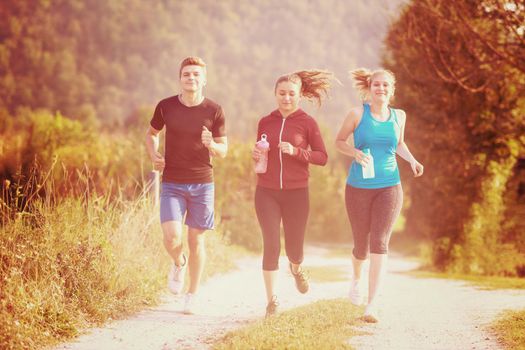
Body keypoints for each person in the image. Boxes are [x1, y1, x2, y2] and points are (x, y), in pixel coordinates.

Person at [335, 68, 424, 323]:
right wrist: (355, 153)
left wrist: (412, 161)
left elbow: (398, 144)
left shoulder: (399, 116)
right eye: (376, 85)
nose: (381, 89)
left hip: (389, 186)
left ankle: (372, 304)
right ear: (370, 88)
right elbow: (339, 141)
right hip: (358, 187)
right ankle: (355, 279)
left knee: (380, 242)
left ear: (391, 90)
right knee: (360, 246)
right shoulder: (356, 114)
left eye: (386, 85)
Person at [145, 56, 227, 315]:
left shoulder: (214, 110)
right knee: (171, 237)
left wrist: (211, 145)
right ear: (180, 79)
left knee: (196, 241)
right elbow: (151, 134)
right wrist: (154, 156)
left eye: (195, 74)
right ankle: (178, 263)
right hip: (172, 182)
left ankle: (192, 294)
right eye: (186, 74)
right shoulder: (165, 107)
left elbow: (223, 150)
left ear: (204, 79)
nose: (191, 78)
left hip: (203, 184)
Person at [252, 70, 333, 317]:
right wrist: (257, 155)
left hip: (297, 193)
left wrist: (297, 152)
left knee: (294, 250)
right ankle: (272, 301)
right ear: (275, 94)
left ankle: (297, 270)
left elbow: (322, 157)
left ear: (299, 95)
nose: (286, 98)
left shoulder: (307, 122)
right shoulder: (265, 121)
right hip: (266, 191)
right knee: (272, 244)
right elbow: (261, 154)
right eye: (282, 93)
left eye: (291, 94)